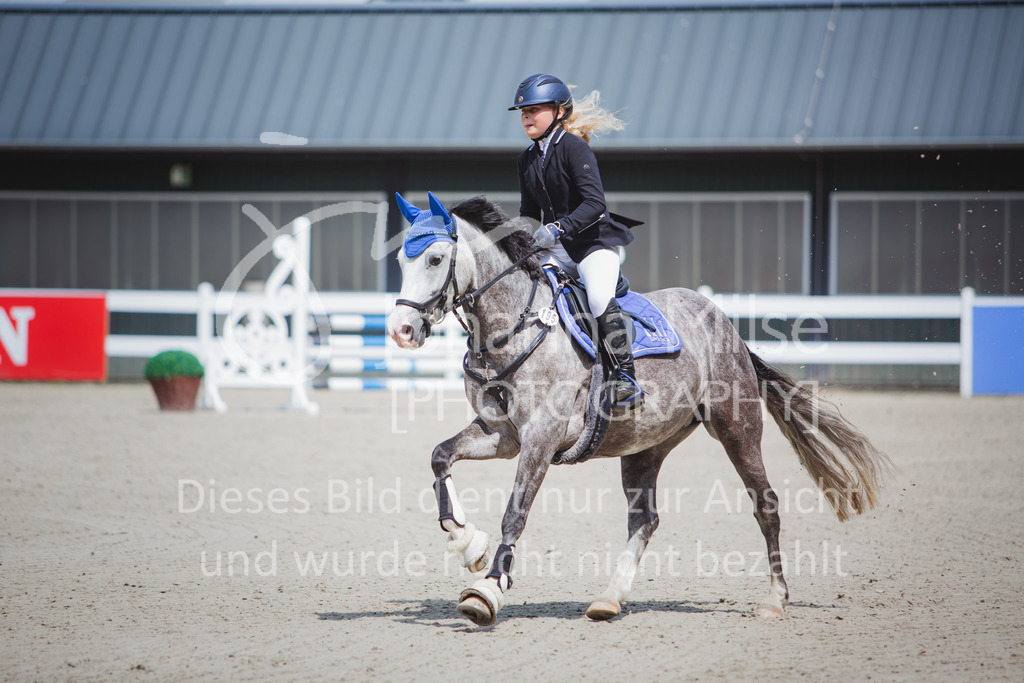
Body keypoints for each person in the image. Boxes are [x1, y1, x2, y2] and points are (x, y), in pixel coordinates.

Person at [509, 73, 644, 412]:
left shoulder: (574, 147)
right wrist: (518, 238)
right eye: (523, 111)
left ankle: (625, 378)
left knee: (598, 297)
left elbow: (595, 203)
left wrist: (557, 227)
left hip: (593, 243)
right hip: (555, 248)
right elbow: (529, 212)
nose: (526, 117)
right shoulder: (526, 158)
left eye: (534, 110)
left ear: (559, 111)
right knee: (525, 291)